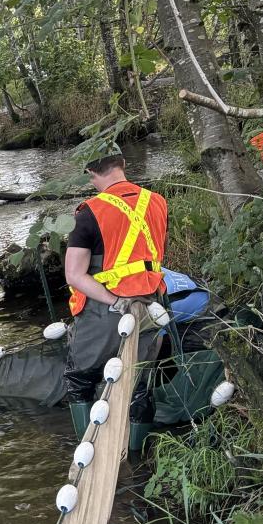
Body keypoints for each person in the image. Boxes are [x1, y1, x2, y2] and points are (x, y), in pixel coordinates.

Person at [63, 145, 168, 449]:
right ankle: (136, 458)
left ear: (92, 172)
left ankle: (88, 454)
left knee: (80, 379)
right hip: (150, 306)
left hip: (106, 310)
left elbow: (74, 275)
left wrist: (114, 301)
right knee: (139, 385)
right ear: (122, 164)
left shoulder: (89, 212)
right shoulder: (157, 201)